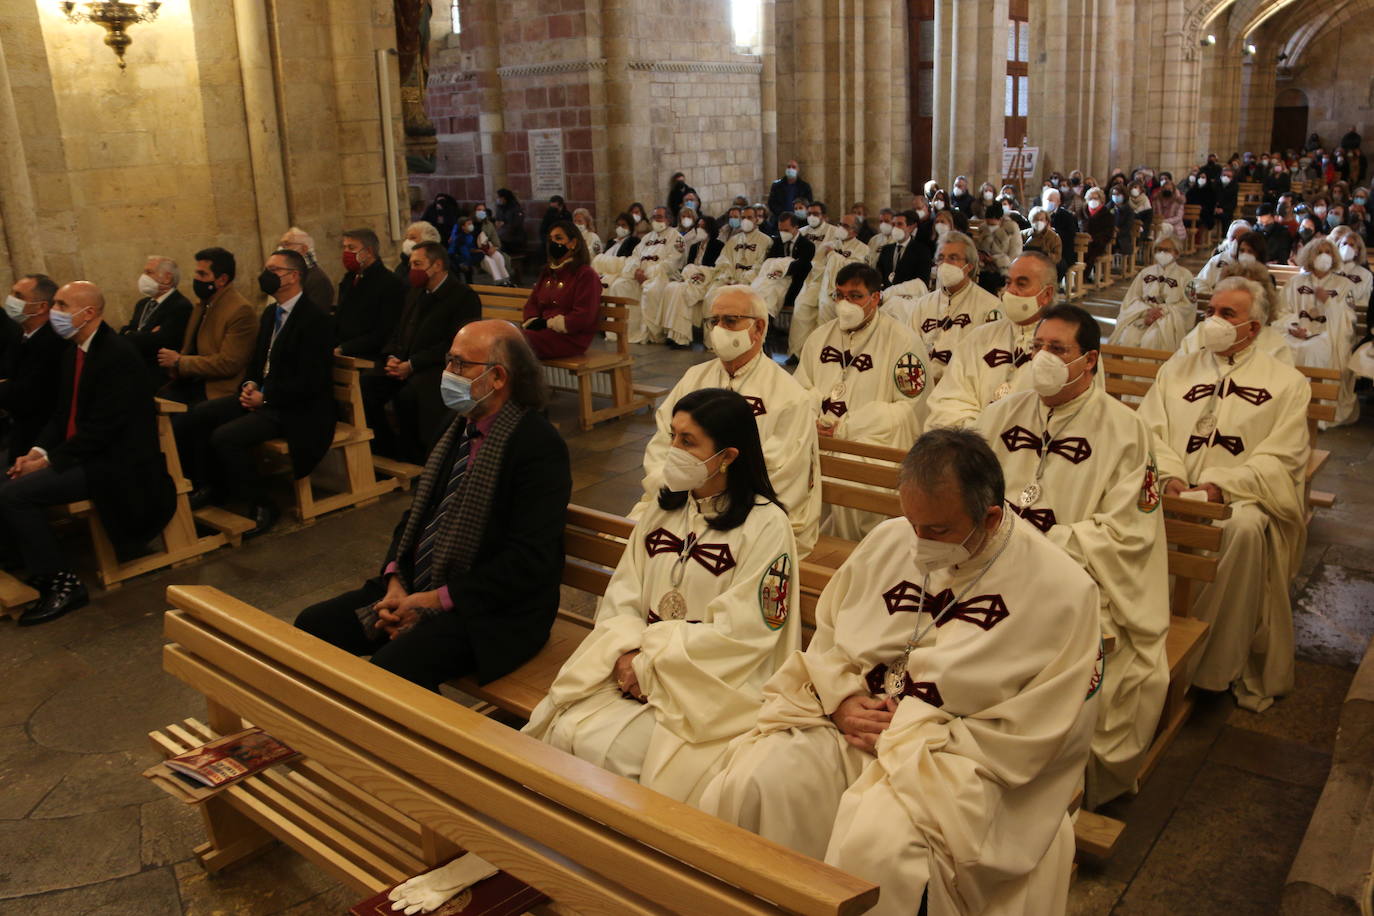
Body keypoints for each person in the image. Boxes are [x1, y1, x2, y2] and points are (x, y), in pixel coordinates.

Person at [701, 427, 1101, 915]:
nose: (918, 544)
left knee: (881, 844)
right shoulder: (890, 541)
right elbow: (829, 640)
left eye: (937, 531)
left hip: (950, 761)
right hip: (851, 726)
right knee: (754, 783)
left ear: (990, 517)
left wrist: (908, 732)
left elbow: (1043, 730)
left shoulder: (1063, 590)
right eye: (912, 522)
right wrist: (842, 700)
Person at [524, 387, 799, 803]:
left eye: (688, 441)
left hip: (708, 684)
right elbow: (624, 593)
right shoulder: (663, 510)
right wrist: (625, 654)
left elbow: (745, 633)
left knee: (609, 751)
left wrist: (651, 663)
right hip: (635, 666)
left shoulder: (766, 527)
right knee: (564, 729)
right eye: (673, 435)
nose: (673, 449)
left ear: (727, 456)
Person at [295, 321, 571, 690]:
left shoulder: (537, 446)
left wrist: (435, 601)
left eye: (459, 365)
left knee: (392, 671)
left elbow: (527, 561)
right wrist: (394, 579)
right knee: (312, 626)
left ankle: (400, 744)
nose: (447, 374)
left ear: (499, 377)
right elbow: (419, 514)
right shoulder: (456, 425)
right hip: (420, 582)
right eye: (448, 362)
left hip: (495, 610)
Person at [977, 304, 1168, 807]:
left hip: (1072, 583)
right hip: (988, 573)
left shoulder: (1126, 431)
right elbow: (964, 495)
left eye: (1057, 349)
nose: (1041, 357)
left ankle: (1045, 782)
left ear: (1089, 361)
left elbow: (1126, 535)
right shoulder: (1000, 415)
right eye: (1037, 346)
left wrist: (1037, 543)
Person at [1142, 278, 1310, 712]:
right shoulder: (1176, 369)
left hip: (1237, 499)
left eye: (1227, 314)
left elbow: (1282, 458)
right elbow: (1147, 432)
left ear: (1253, 328)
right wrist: (1170, 476)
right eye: (1210, 311)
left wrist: (1222, 485)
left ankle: (1207, 666)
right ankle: (1144, 645)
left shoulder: (1287, 383)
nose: (1213, 321)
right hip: (1172, 488)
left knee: (1245, 530)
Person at [0, 281, 175, 625]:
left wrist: (49, 461)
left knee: (15, 495)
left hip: (116, 463)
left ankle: (64, 584)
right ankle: (29, 562)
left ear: (89, 313)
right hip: (86, 452)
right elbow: (62, 415)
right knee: (9, 477)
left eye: (62, 306)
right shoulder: (74, 351)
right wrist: (37, 452)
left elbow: (102, 430)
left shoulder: (118, 356)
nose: (55, 312)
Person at [637, 286, 820, 556]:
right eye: (714, 321)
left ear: (758, 329)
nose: (718, 329)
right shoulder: (693, 378)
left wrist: (713, 502)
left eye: (730, 321)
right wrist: (675, 487)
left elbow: (782, 472)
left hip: (745, 512)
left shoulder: (789, 396)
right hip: (680, 498)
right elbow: (663, 441)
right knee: (627, 547)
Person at [183, 249, 335, 539]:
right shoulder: (270, 313)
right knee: (200, 414)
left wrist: (265, 398)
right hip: (266, 398)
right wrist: (250, 384)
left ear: (293, 276)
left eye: (273, 270)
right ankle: (214, 487)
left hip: (296, 408)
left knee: (225, 437)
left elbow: (311, 381)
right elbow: (257, 363)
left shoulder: (315, 320)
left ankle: (263, 504)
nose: (265, 276)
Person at [796, 264, 930, 539]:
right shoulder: (819, 337)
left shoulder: (904, 342)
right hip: (816, 437)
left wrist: (848, 427)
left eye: (855, 296)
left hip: (871, 441)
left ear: (875, 298)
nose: (845, 304)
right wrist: (812, 416)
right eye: (840, 295)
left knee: (848, 473)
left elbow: (909, 408)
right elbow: (798, 389)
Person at [363, 242, 477, 463]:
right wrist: (392, 357)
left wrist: (412, 364)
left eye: (417, 264)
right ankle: (385, 450)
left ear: (437, 265)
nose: (411, 270)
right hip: (405, 363)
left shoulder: (462, 296)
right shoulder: (415, 292)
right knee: (366, 386)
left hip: (438, 367)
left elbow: (454, 345)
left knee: (407, 396)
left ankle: (417, 457)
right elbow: (399, 330)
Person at [927, 251, 1060, 429]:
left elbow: (1071, 415)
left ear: (1047, 294)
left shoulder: (1067, 347)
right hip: (973, 447)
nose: (1010, 291)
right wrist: (983, 435)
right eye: (1008, 283)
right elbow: (948, 400)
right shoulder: (979, 338)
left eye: (1021, 284)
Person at [157, 247, 257, 408]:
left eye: (202, 274)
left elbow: (228, 363)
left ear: (222, 280)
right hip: (191, 381)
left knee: (181, 421)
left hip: (216, 389)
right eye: (196, 273)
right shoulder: (202, 305)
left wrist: (179, 361)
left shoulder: (240, 310)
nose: (196, 278)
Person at [1273, 238, 1359, 425]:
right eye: (1319, 252)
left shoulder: (1344, 285)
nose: (1324, 256)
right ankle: (1284, 410)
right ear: (1310, 256)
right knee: (1283, 346)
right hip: (1297, 332)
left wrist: (1328, 302)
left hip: (1328, 333)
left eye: (1328, 252)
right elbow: (1282, 311)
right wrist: (1293, 327)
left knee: (1312, 350)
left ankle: (1315, 412)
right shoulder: (1295, 282)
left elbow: (1348, 319)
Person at [907, 231, 1003, 383]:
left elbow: (991, 361)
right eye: (941, 258)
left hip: (963, 390)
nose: (945, 264)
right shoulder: (923, 304)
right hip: (923, 385)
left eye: (952, 258)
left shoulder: (990, 306)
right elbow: (909, 350)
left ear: (969, 265)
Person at [0, 274, 66, 461]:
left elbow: (28, 392)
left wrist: (6, 387)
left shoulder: (54, 341)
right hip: (18, 430)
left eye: (19, 296)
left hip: (41, 436)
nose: (10, 300)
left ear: (42, 307)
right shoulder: (21, 333)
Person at [520, 220, 601, 360]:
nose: (553, 243)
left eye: (558, 238)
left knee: (513, 342)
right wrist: (533, 321)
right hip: (543, 333)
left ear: (573, 243)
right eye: (550, 239)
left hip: (570, 338)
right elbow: (532, 303)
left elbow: (583, 316)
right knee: (503, 336)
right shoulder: (548, 272)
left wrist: (548, 323)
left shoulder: (585, 274)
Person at [609, 205, 686, 345]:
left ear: (668, 219)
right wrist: (636, 271)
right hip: (639, 276)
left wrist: (648, 274)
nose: (656, 220)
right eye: (654, 217)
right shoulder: (647, 238)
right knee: (619, 286)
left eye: (659, 217)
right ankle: (622, 330)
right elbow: (634, 256)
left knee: (651, 290)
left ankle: (653, 333)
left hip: (662, 277)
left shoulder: (676, 237)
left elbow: (672, 263)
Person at [1107, 234, 1195, 351]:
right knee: (1128, 337)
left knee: (1153, 340)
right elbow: (1132, 298)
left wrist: (1163, 311)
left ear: (1177, 253)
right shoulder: (1145, 272)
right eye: (1159, 250)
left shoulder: (1185, 275)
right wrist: (1146, 311)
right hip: (1143, 315)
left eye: (1166, 250)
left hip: (1167, 319)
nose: (1162, 253)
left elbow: (1188, 305)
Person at [119, 255, 192, 389]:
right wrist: (142, 334)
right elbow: (124, 332)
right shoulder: (143, 303)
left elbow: (160, 341)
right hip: (136, 367)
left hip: (159, 373)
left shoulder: (180, 305)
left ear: (167, 278)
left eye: (149, 272)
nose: (143, 277)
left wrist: (131, 335)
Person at [335, 228, 404, 361]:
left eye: (351, 248)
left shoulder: (389, 283)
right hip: (344, 349)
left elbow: (383, 332)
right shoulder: (349, 278)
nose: (346, 252)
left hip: (369, 355)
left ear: (368, 252)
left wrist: (345, 348)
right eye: (344, 247)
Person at [279, 227, 336, 310]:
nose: (281, 249)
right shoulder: (291, 276)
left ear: (303, 249)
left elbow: (314, 315)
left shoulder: (317, 279)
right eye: (281, 245)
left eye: (287, 244)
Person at [1195, 220, 1253, 295]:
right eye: (1233, 237)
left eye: (1241, 238)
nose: (1236, 241)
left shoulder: (1253, 261)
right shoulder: (1218, 259)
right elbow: (1200, 282)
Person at [975, 202, 1022, 291]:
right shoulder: (983, 228)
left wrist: (996, 260)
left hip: (1004, 271)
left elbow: (1015, 255)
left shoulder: (1011, 229)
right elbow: (979, 248)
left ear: (1000, 220)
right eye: (988, 224)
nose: (990, 227)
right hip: (984, 269)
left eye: (992, 225)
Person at [1330, 225, 1372, 314]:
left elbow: (1355, 295)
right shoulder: (1329, 269)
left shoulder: (1365, 274)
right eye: (1344, 244)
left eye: (1352, 245)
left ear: (1357, 251)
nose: (1347, 247)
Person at [1042, 188, 1078, 279]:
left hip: (1062, 252)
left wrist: (1053, 232)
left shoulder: (1067, 216)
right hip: (1042, 250)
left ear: (1058, 202)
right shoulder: (1038, 214)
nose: (1048, 202)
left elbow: (1071, 235)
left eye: (1051, 200)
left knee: (1058, 265)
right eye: (1046, 199)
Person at [492, 188, 526, 255]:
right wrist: (496, 222)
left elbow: (516, 223)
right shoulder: (499, 207)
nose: (498, 199)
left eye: (499, 197)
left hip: (513, 237)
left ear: (504, 198)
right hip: (501, 234)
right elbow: (497, 219)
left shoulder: (515, 208)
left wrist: (503, 224)